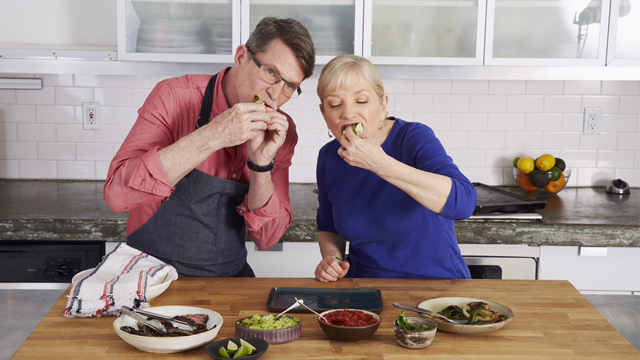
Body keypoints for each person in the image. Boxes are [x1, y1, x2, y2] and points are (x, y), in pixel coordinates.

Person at [104, 17, 316, 278]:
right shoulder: (173, 96)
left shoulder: (282, 132)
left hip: (227, 280)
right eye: (271, 72)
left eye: (290, 85)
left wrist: (261, 165)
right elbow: (117, 195)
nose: (275, 94)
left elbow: (268, 238)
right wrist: (214, 134)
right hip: (148, 279)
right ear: (241, 57)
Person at [313, 55, 477, 281]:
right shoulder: (329, 157)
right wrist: (332, 258)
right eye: (335, 104)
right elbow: (328, 224)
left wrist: (380, 164)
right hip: (366, 291)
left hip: (438, 287)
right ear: (324, 113)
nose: (348, 113)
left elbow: (464, 203)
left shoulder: (414, 138)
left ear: (383, 106)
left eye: (361, 101)